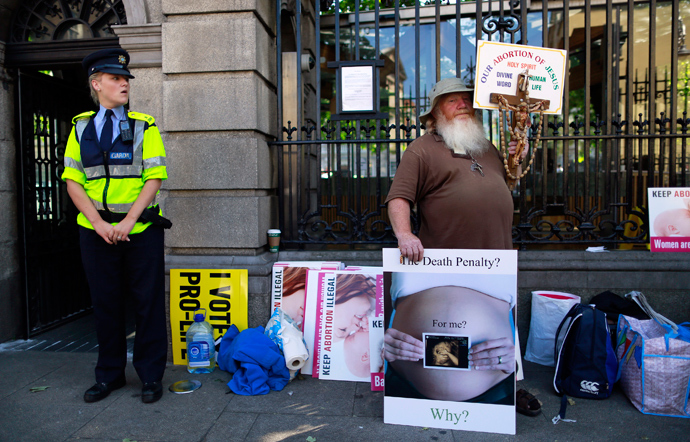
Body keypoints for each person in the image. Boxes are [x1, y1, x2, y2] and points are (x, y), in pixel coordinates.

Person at [383, 77, 539, 413]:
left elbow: (506, 182)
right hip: (446, 262)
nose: (463, 105)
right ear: (435, 113)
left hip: (494, 256)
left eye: (467, 100)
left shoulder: (485, 147)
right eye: (452, 101)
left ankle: (512, 386)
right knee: (451, 327)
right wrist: (405, 235)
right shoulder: (422, 149)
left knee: (500, 323)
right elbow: (399, 198)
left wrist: (517, 158)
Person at [62, 48, 171, 404]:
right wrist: (97, 222)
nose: (124, 83)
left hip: (139, 232)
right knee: (105, 303)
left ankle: (151, 377)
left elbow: (154, 178)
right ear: (97, 84)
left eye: (125, 79)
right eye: (115, 78)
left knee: (148, 303)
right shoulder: (80, 127)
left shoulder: (145, 125)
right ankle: (109, 376)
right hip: (95, 233)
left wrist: (127, 221)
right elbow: (73, 181)